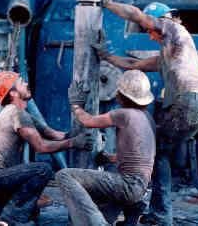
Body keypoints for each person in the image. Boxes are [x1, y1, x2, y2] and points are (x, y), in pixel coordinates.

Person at [92, 0, 198, 226]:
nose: (149, 34)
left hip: (189, 103)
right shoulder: (171, 53)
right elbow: (130, 64)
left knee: (159, 153)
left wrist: (107, 3)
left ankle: (160, 214)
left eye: (149, 28)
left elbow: (137, 15)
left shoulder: (173, 29)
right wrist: (104, 55)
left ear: (159, 21)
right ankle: (160, 213)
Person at [0, 71, 93, 226]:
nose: (26, 83)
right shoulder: (15, 113)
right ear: (13, 93)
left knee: (33, 210)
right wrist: (74, 143)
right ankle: (11, 220)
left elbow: (54, 134)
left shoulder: (21, 114)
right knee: (42, 169)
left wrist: (80, 120)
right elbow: (41, 147)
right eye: (21, 82)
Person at [55, 70, 156, 226]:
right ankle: (131, 210)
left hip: (127, 185)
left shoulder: (123, 114)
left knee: (64, 176)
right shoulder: (148, 119)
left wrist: (75, 104)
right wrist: (109, 158)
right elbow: (139, 156)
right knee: (109, 170)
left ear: (121, 95)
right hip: (141, 187)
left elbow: (87, 121)